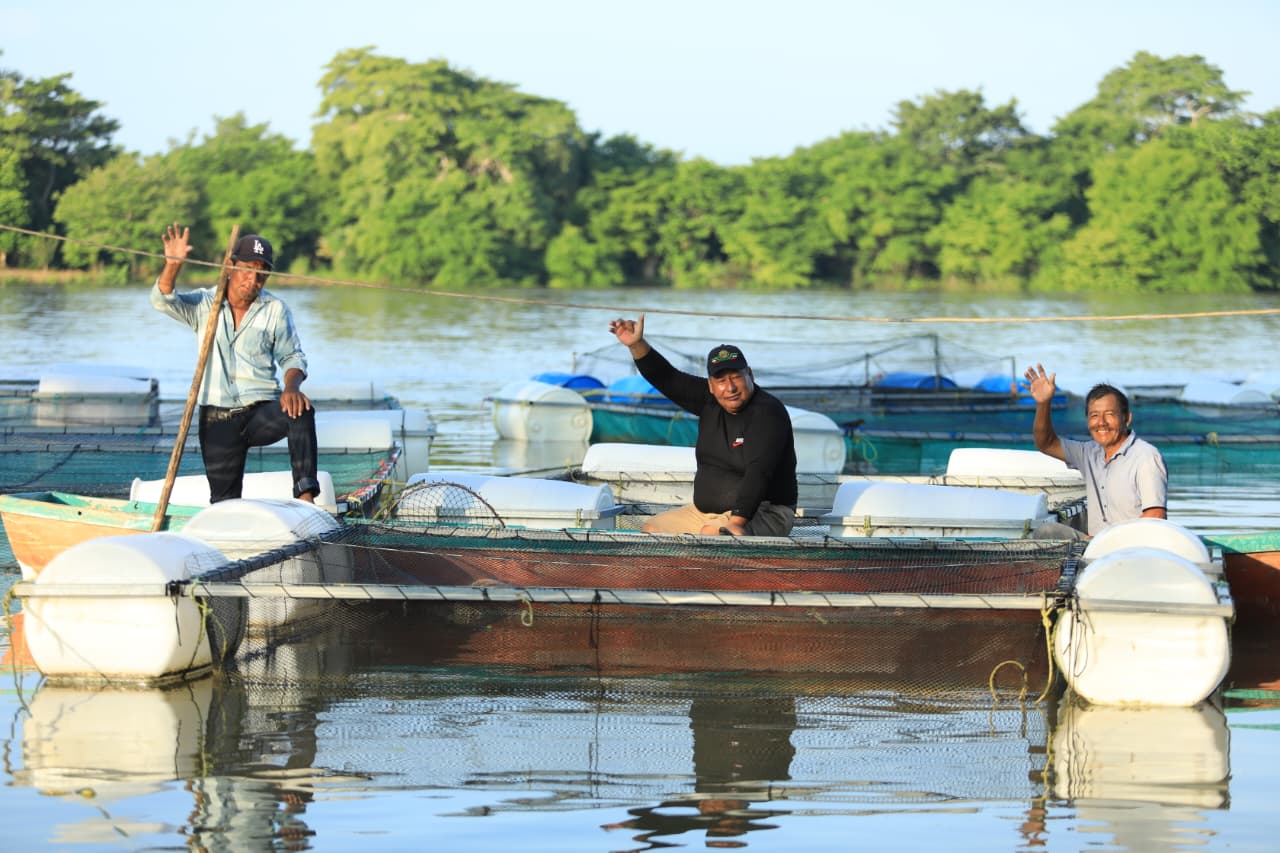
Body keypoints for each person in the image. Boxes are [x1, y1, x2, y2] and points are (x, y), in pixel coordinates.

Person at [151, 223, 320, 504]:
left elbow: (292, 356)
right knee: (223, 502)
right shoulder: (205, 303)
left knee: (300, 411)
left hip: (259, 411)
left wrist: (292, 387)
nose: (253, 280)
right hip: (216, 418)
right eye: (247, 269)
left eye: (262, 274)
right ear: (230, 267)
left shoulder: (275, 309)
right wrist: (173, 265)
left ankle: (305, 498)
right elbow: (163, 300)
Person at [608, 314, 797, 536]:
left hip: (765, 512)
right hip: (706, 513)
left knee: (712, 535)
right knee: (653, 529)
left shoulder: (767, 412)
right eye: (721, 381)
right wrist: (636, 344)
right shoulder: (709, 400)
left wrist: (737, 522)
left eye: (736, 377)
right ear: (711, 385)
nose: (730, 388)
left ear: (750, 375)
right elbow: (667, 378)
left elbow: (759, 472)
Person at [1024, 363, 1167, 536]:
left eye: (1110, 414)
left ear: (1127, 419)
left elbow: (1155, 516)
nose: (1101, 422)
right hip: (1094, 546)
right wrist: (1044, 403)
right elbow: (1046, 443)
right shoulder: (1088, 453)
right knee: (1046, 531)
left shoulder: (1146, 456)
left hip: (1132, 546)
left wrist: (1107, 541)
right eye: (1094, 415)